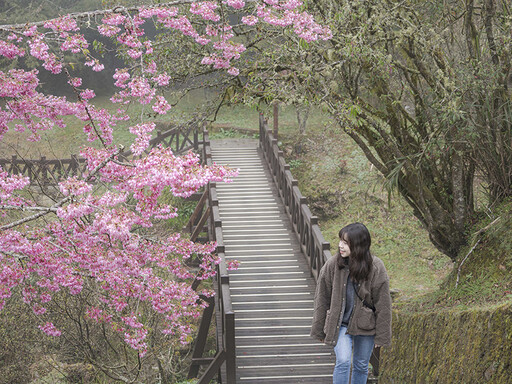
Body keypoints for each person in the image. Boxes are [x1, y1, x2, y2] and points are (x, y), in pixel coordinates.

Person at [311, 222, 392, 384]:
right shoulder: (333, 264)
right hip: (340, 324)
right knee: (343, 361)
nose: (340, 246)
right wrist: (319, 329)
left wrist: (382, 336)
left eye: (345, 243)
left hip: (366, 324)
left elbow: (383, 304)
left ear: (358, 245)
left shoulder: (376, 267)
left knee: (361, 365)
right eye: (340, 241)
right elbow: (322, 297)